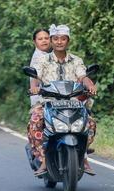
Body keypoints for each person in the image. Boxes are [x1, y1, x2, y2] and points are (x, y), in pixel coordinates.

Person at [28, 24, 97, 176]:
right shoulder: (43, 60)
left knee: (90, 123)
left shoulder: (76, 60)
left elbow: (83, 76)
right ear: (52, 41)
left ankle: (83, 156)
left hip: (73, 102)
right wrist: (34, 87)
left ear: (68, 41)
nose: (59, 42)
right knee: (35, 122)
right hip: (48, 103)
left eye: (63, 39)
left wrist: (90, 85)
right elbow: (35, 76)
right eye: (56, 39)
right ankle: (45, 160)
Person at [30, 29, 51, 106]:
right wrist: (34, 87)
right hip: (41, 98)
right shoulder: (38, 57)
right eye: (40, 39)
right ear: (34, 42)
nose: (44, 41)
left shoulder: (48, 55)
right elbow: (35, 76)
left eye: (46, 38)